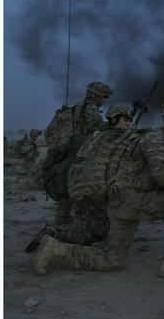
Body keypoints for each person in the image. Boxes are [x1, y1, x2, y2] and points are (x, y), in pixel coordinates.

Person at [34, 99, 164, 278]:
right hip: (133, 200)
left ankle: (56, 249)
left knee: (113, 259)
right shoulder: (157, 139)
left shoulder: (147, 136)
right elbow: (159, 175)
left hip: (120, 201)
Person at [26, 104, 134, 250]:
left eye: (130, 119)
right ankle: (51, 235)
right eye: (126, 119)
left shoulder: (98, 135)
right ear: (114, 119)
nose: (129, 123)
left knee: (97, 231)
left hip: (85, 191)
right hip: (92, 194)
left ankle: (53, 233)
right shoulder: (111, 138)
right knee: (89, 235)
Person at [42, 81, 112, 223]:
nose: (104, 99)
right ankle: (68, 223)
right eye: (103, 96)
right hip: (80, 153)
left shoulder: (80, 106)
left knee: (70, 188)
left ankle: (63, 220)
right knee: (76, 187)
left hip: (74, 151)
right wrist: (113, 124)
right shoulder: (91, 110)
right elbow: (95, 130)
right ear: (95, 95)